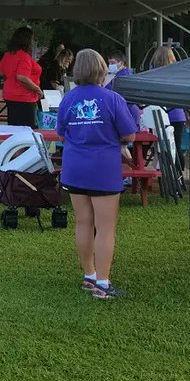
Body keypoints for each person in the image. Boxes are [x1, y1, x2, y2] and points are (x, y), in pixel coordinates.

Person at [57, 48, 138, 300]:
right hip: (103, 170)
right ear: (103, 70)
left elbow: (61, 133)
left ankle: (89, 276)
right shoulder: (112, 99)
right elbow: (129, 135)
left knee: (83, 222)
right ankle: (103, 283)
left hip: (74, 168)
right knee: (105, 227)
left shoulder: (68, 99)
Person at [147, 45, 188, 162]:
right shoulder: (177, 75)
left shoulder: (152, 74)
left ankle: (164, 174)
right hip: (177, 114)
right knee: (176, 146)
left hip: (158, 115)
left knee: (161, 148)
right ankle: (178, 175)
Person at [0, 26, 42, 126]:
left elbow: (0, 71)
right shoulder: (24, 57)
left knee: (14, 127)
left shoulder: (8, 54)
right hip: (24, 97)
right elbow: (22, 77)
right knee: (27, 129)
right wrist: (37, 89)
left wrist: (10, 76)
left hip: (9, 95)